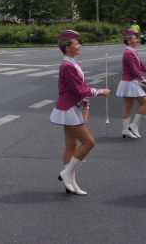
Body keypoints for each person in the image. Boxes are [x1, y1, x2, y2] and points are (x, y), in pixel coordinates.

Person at [50, 30, 110, 196]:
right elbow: (80, 90)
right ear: (68, 47)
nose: (79, 46)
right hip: (68, 108)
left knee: (71, 145)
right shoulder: (67, 66)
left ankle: (70, 181)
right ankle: (67, 173)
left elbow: (82, 87)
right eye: (76, 44)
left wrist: (86, 107)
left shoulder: (74, 63)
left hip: (72, 108)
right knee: (89, 142)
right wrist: (101, 91)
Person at [115, 29, 146, 139]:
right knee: (145, 103)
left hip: (128, 82)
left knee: (128, 107)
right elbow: (134, 70)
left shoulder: (131, 51)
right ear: (129, 41)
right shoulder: (129, 53)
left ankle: (126, 130)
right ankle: (133, 126)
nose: (137, 40)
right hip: (130, 82)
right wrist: (144, 80)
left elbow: (141, 66)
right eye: (134, 39)